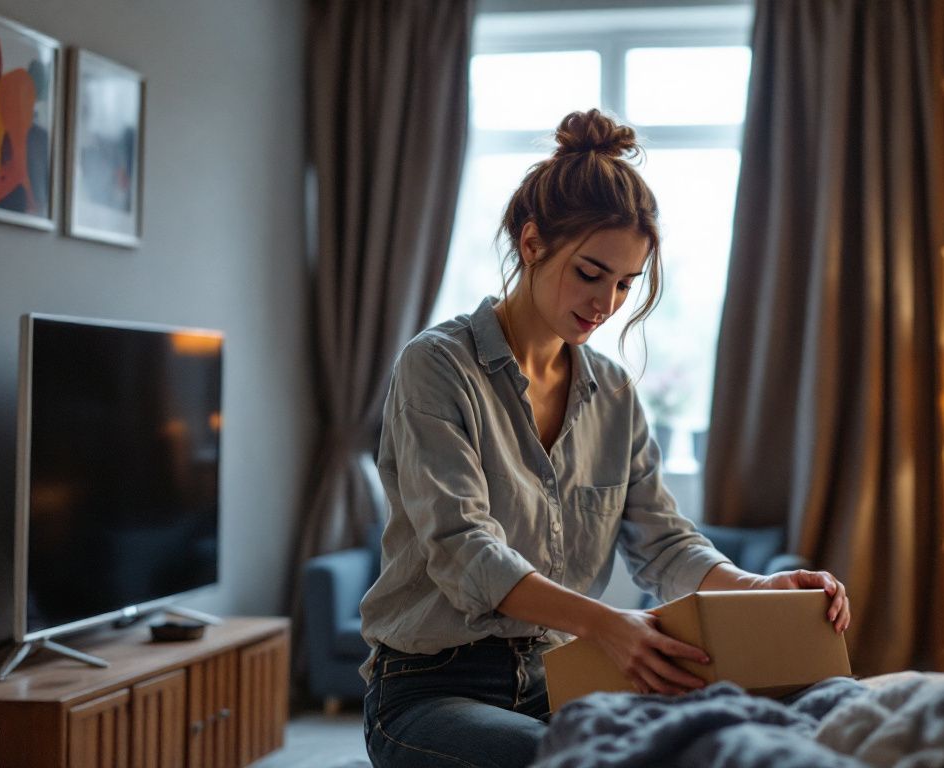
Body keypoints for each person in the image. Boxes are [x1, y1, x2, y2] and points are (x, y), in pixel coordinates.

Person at [359, 109, 851, 768]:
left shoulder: (613, 394)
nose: (606, 302)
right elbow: (463, 550)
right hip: (428, 691)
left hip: (561, 681)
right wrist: (603, 623)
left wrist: (754, 589)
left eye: (625, 283)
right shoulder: (438, 366)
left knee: (741, 732)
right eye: (590, 273)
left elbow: (664, 541)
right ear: (532, 243)